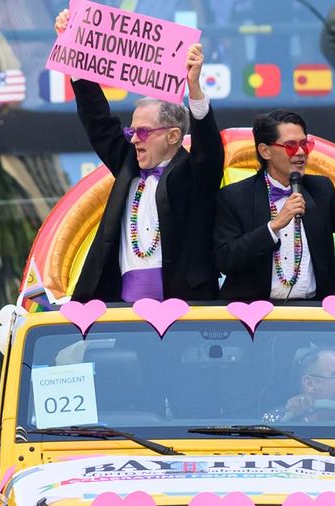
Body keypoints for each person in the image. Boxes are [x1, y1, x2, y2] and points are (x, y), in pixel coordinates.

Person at [55, 9, 225, 303]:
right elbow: (98, 122)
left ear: (172, 136)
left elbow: (209, 150)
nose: (134, 138)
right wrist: (75, 51)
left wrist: (194, 87)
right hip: (124, 317)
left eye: (144, 132)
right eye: (131, 131)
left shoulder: (194, 174)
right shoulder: (128, 163)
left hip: (186, 313)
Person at [214, 109, 335, 301]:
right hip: (255, 316)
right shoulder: (235, 196)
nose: (301, 153)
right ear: (265, 151)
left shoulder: (320, 189)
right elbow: (225, 258)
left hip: (314, 316)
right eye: (291, 146)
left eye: (305, 144)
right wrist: (273, 227)